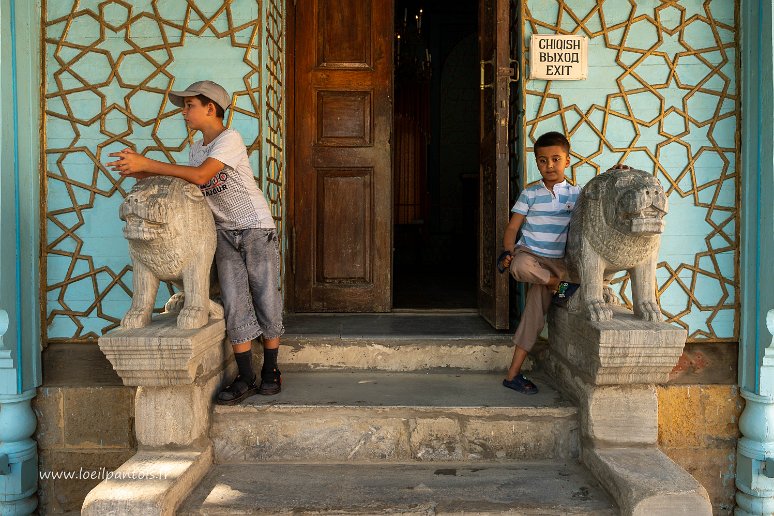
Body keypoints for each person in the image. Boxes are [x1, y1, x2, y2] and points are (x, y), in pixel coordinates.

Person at [107, 80, 284, 404]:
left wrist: (148, 163)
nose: (184, 112)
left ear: (210, 109)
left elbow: (202, 176)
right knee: (233, 301)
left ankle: (271, 368)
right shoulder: (197, 149)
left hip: (255, 228)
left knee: (264, 295)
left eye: (189, 106)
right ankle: (246, 376)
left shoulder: (229, 139)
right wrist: (141, 173)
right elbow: (189, 179)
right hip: (224, 234)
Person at [498, 131, 580, 395]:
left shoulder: (577, 195)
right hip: (531, 257)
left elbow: (601, 201)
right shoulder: (530, 193)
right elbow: (512, 229)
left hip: (559, 262)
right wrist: (508, 251)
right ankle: (559, 286)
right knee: (519, 267)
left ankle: (512, 375)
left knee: (534, 315)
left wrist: (616, 172)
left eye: (556, 159)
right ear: (537, 163)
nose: (549, 166)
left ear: (567, 160)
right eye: (543, 161)